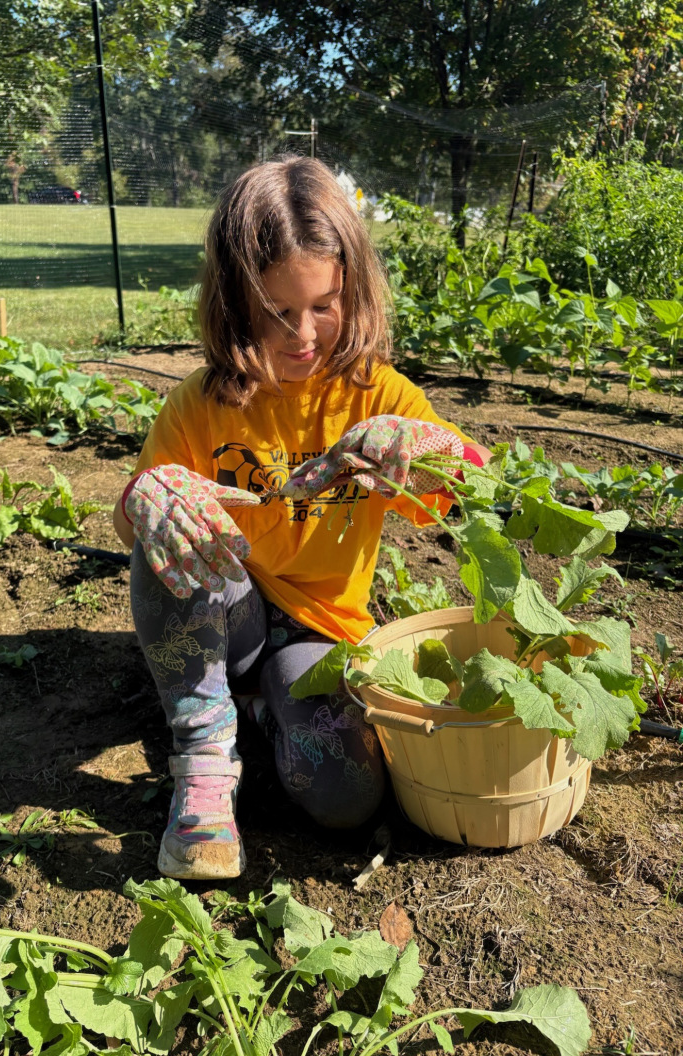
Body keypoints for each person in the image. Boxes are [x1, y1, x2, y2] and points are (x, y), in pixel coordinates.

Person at [113, 155, 488, 881]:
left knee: (345, 800)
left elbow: (465, 481)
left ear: (354, 289)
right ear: (233, 303)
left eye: (324, 304)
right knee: (170, 517)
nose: (304, 333)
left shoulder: (379, 395)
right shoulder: (202, 403)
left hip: (321, 631)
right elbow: (135, 532)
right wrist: (147, 495)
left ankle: (259, 712)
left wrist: (429, 445)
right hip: (227, 614)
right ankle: (204, 752)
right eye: (278, 312)